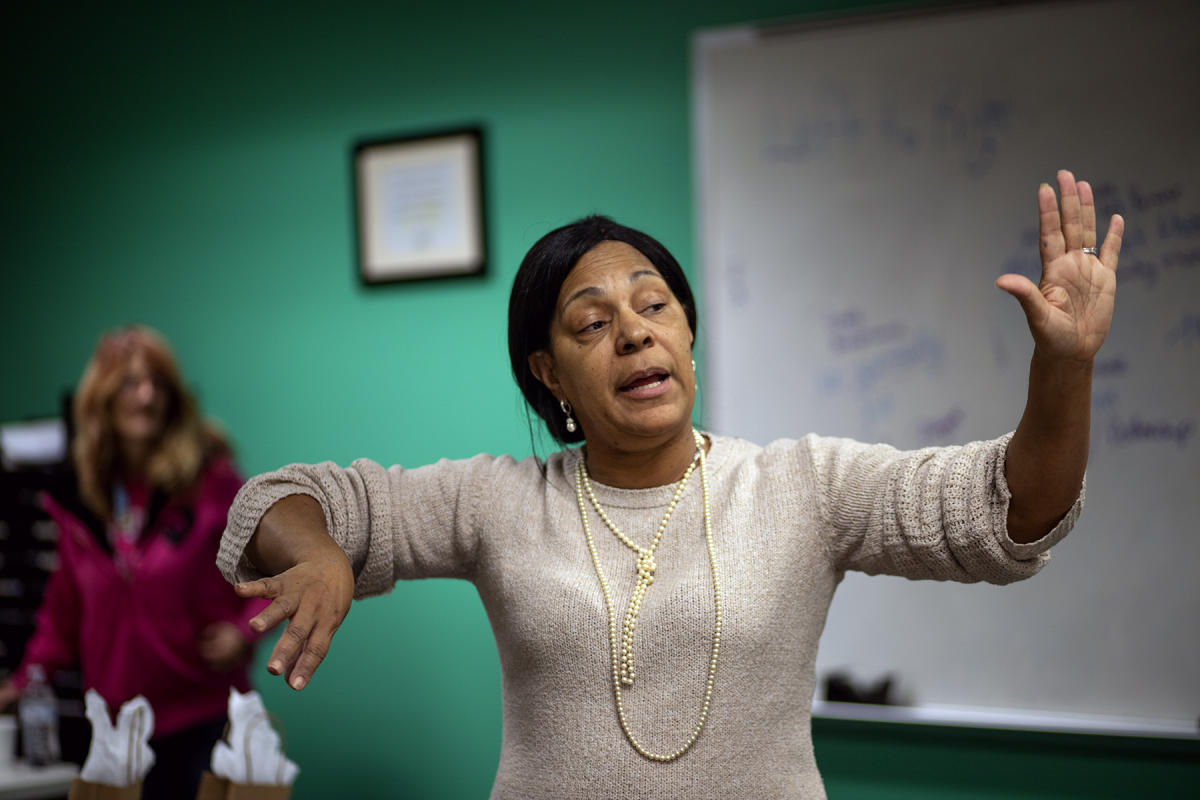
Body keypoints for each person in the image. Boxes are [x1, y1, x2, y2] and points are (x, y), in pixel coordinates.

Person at [217, 170, 1123, 798]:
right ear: (549, 374)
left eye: (654, 307)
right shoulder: (500, 502)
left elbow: (1008, 514)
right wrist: (321, 551)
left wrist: (1065, 370)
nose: (635, 333)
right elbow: (282, 497)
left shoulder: (800, 486)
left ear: (688, 332)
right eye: (591, 323)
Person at [0, 326, 268, 800]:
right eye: (129, 383)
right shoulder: (81, 503)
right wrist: (22, 684)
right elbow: (63, 616)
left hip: (202, 720)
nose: (145, 397)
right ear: (101, 398)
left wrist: (244, 634)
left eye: (158, 384)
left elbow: (270, 570)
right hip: (116, 729)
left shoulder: (210, 481)